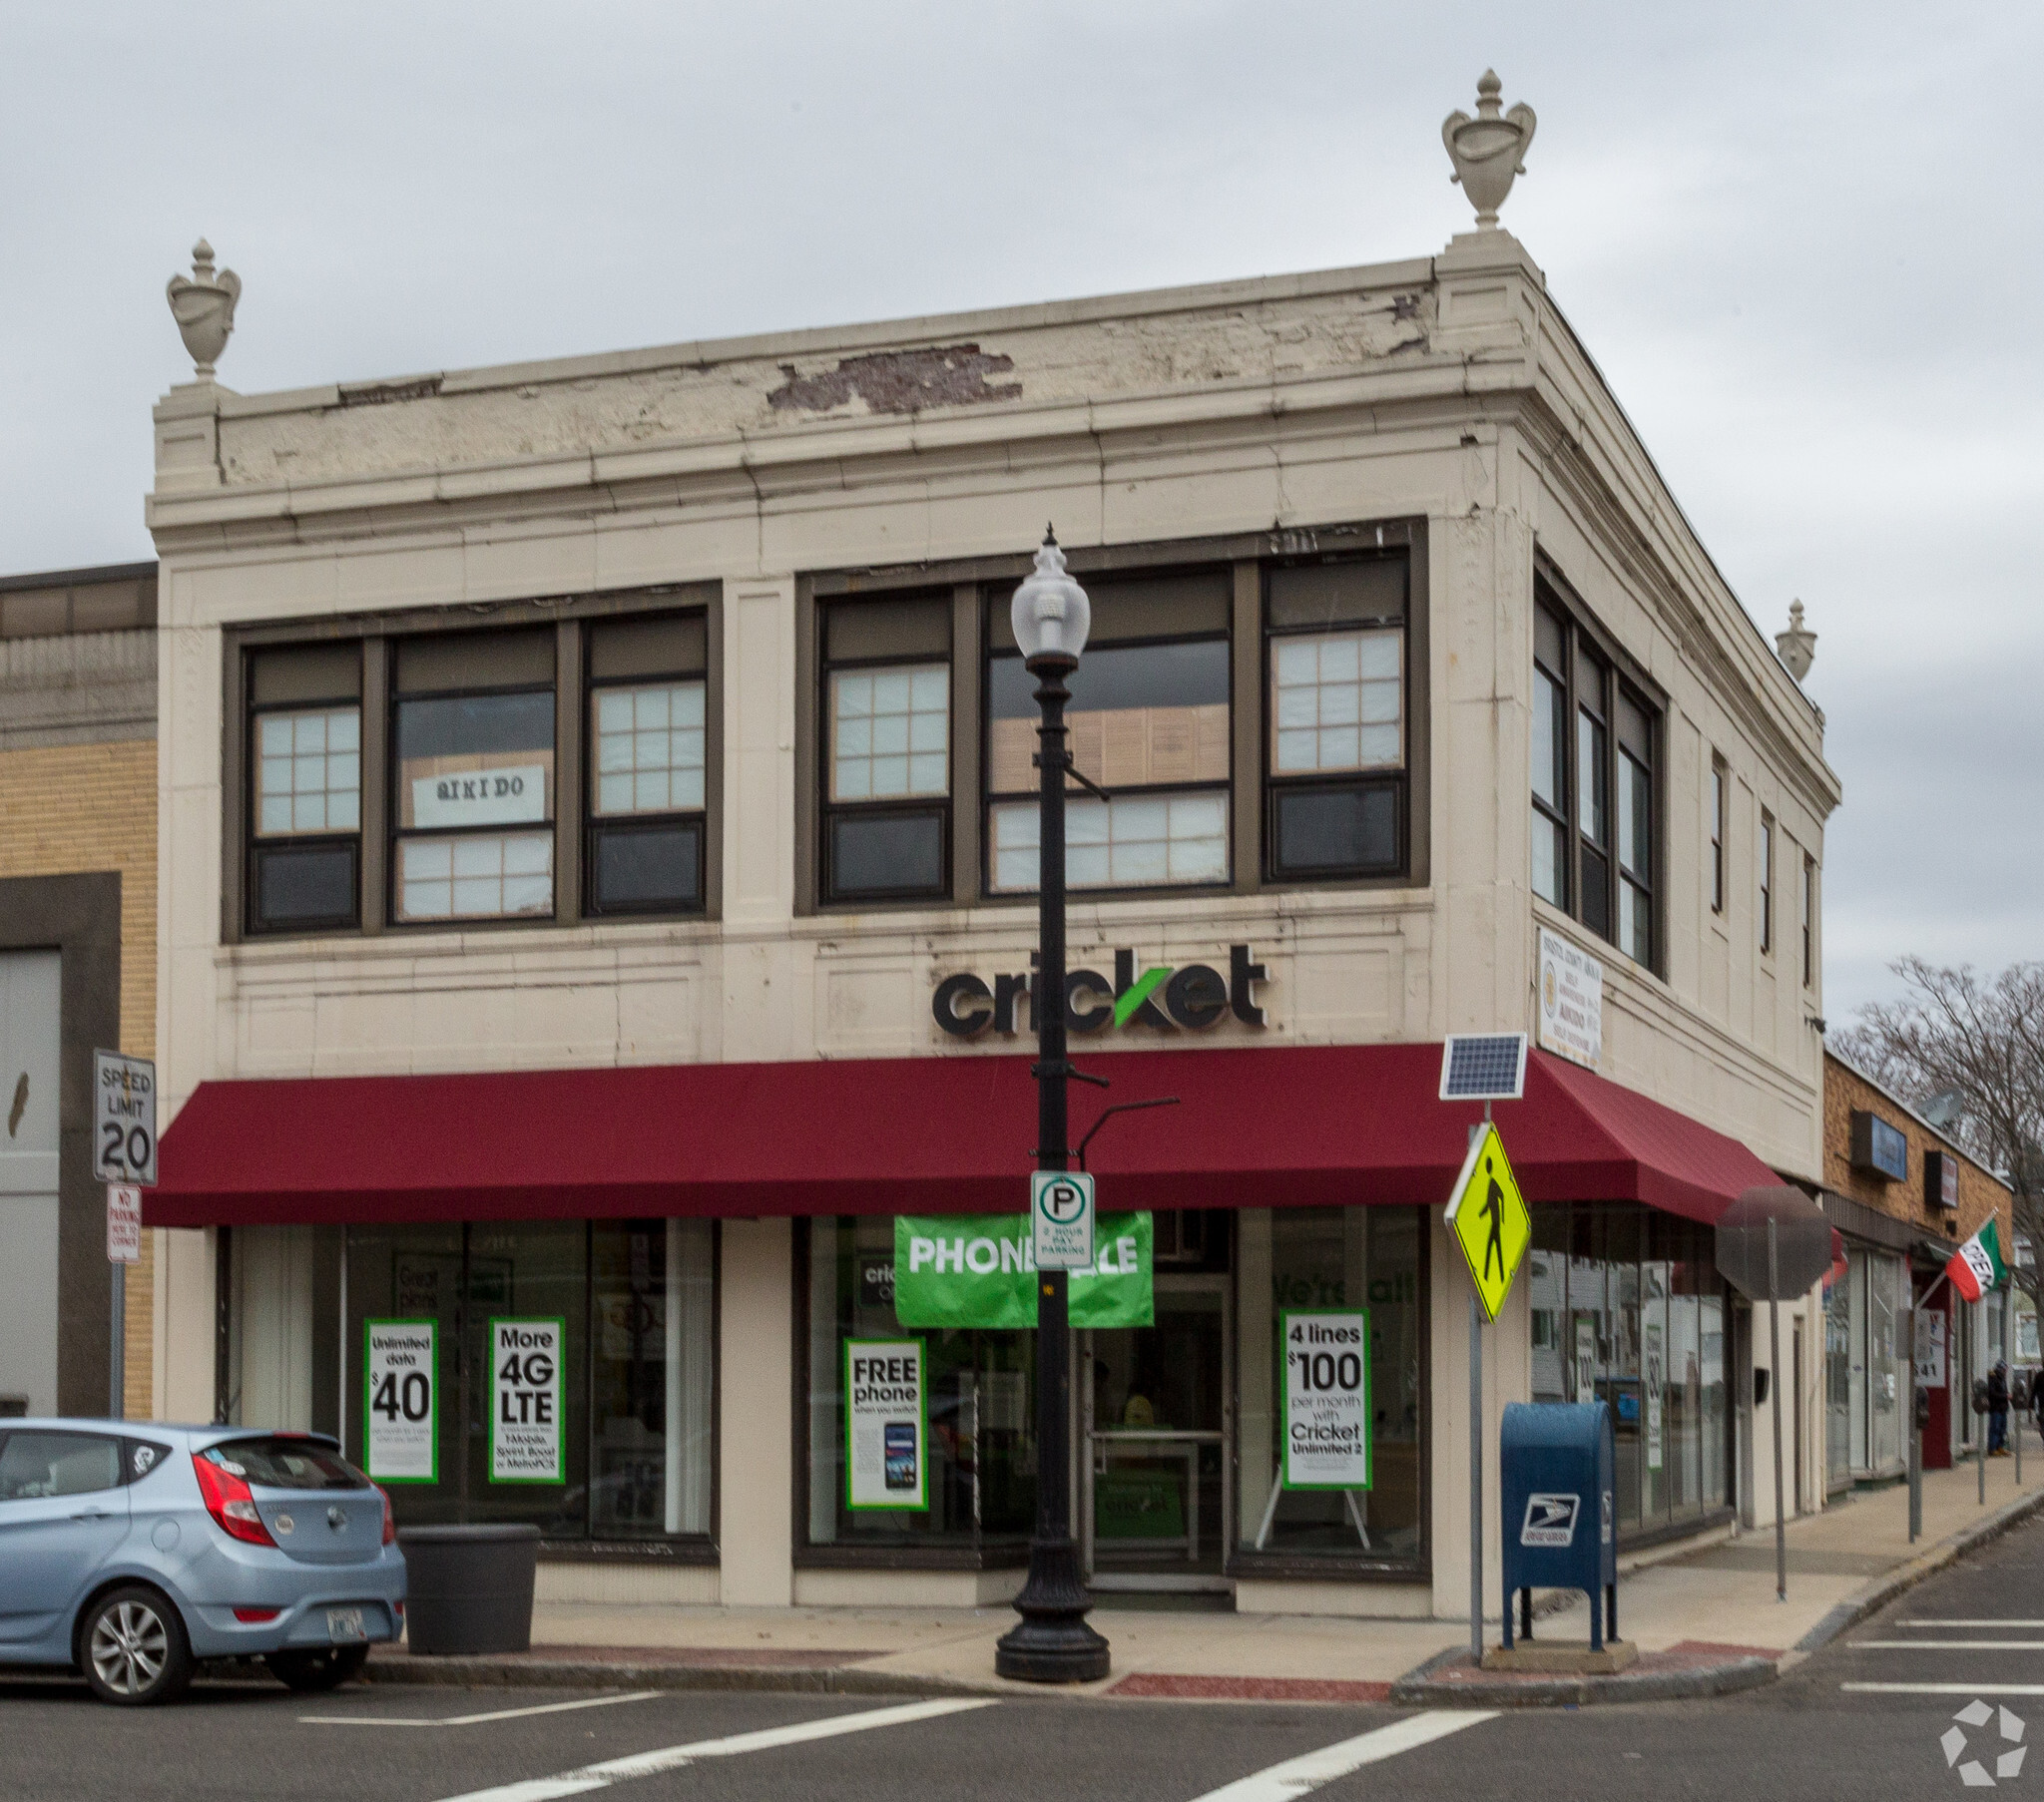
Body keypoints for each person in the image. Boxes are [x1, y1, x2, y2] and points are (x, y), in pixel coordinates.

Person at [1988, 1361, 2010, 1456]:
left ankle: (2000, 1446)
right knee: (1995, 1428)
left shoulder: (2002, 1379)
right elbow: (1992, 1393)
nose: (2005, 1371)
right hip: (1996, 1408)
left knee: (2002, 1428)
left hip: (2002, 1408)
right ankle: (1992, 1448)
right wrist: (2005, 1396)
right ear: (2000, 1369)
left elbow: (2004, 1390)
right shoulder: (1993, 1378)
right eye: (2004, 1369)